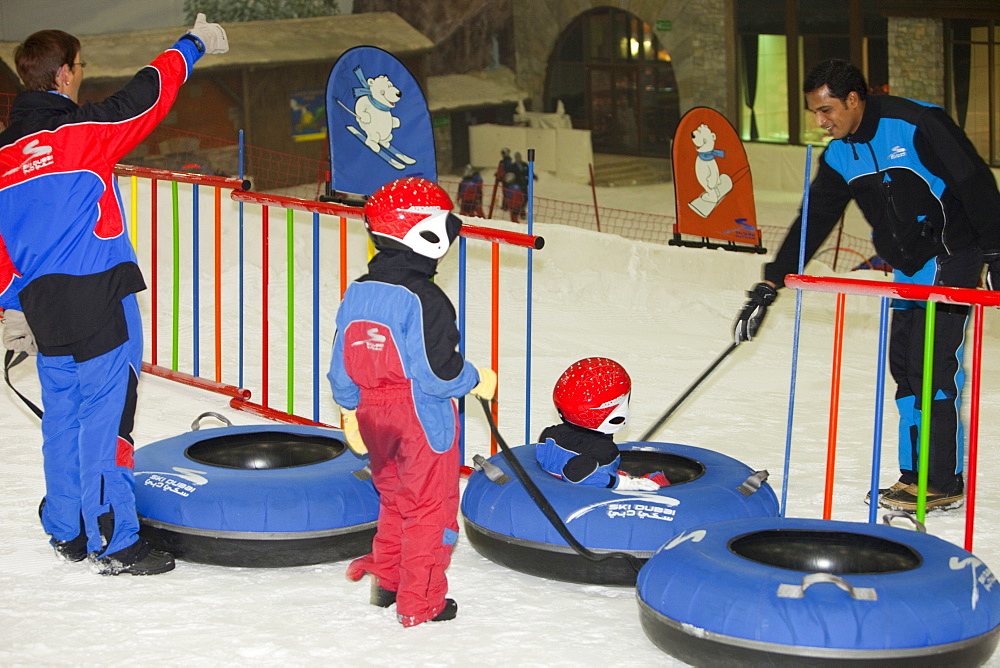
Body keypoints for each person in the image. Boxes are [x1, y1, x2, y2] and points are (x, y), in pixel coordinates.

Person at [0, 15, 229, 575]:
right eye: (79, 66)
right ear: (64, 75)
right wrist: (192, 44)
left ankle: (67, 527)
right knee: (108, 420)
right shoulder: (81, 132)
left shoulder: (4, 158)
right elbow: (146, 94)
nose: (81, 75)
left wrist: (11, 301)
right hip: (101, 298)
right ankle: (115, 537)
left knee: (64, 418)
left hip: (43, 309)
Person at [733, 59, 1000, 513]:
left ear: (854, 100)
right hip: (908, 266)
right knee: (904, 366)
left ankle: (941, 480)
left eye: (827, 110)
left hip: (954, 253)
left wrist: (995, 252)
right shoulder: (840, 154)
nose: (821, 121)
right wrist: (772, 280)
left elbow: (975, 182)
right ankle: (914, 476)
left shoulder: (916, 125)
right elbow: (814, 219)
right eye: (815, 112)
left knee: (930, 362)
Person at [328, 177, 497, 627]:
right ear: (425, 232)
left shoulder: (358, 291)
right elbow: (439, 376)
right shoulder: (426, 299)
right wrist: (476, 379)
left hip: (372, 416)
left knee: (394, 502)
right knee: (429, 509)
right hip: (420, 418)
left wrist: (350, 411)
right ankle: (421, 602)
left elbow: (340, 366)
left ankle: (388, 583)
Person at [536, 357, 669, 491]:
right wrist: (624, 483)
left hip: (560, 486)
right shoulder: (604, 449)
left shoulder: (550, 435)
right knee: (658, 480)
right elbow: (574, 473)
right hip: (587, 495)